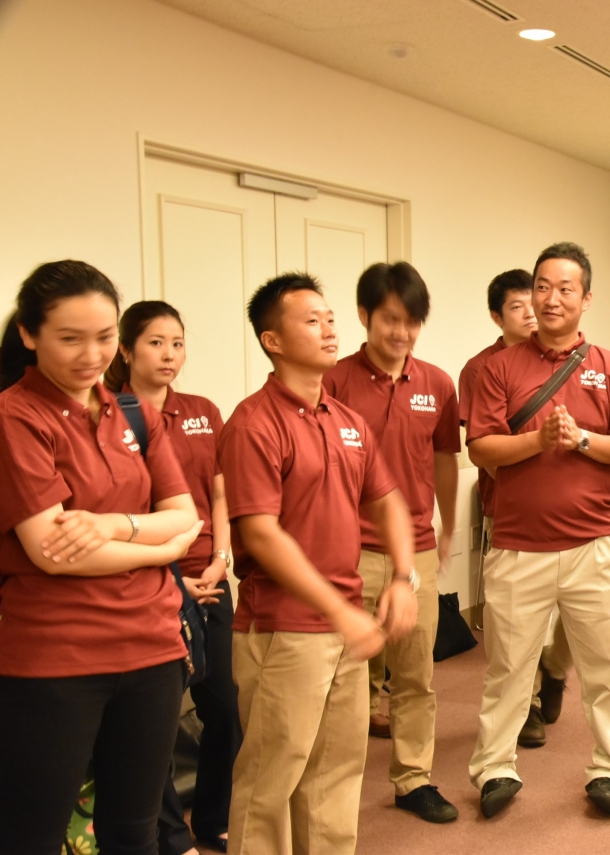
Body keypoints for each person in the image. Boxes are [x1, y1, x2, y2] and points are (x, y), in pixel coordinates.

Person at [0, 260, 202, 854]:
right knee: (32, 835)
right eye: (70, 338)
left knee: (135, 831)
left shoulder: (132, 412)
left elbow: (184, 515)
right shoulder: (14, 416)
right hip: (56, 657)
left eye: (105, 337)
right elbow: (54, 553)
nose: (91, 355)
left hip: (152, 647)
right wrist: (162, 548)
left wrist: (116, 525)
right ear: (29, 334)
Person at [220, 273, 418, 854]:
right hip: (283, 629)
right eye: (311, 321)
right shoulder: (254, 422)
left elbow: (389, 501)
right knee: (270, 781)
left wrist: (402, 578)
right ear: (273, 340)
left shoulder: (346, 420)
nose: (330, 329)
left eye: (330, 318)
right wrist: (338, 610)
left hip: (344, 626)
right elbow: (261, 533)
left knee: (335, 777)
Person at [466, 242, 610, 819]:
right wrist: (537, 441)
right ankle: (495, 768)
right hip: (518, 547)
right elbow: (481, 448)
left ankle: (609, 769)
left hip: (595, 544)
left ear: (585, 298)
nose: (551, 298)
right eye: (542, 287)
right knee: (508, 670)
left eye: (565, 288)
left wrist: (582, 440)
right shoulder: (497, 368)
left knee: (604, 670)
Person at [323, 262, 461, 823]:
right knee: (348, 679)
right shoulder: (333, 381)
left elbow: (444, 458)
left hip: (416, 549)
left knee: (414, 676)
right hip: (347, 549)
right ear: (365, 316)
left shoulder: (437, 384)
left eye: (412, 322)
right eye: (390, 320)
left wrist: (448, 525)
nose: (401, 333)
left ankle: (413, 779)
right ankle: (337, 789)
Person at [104, 301, 240, 855]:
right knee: (152, 720)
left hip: (211, 575)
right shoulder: (111, 415)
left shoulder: (202, 411)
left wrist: (222, 557)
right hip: (149, 582)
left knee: (225, 707)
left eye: (177, 343)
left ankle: (214, 817)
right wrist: (172, 578)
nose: (169, 354)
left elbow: (220, 493)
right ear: (127, 349)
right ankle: (170, 834)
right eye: (156, 342)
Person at [459, 268, 573, 752]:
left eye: (535, 300)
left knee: (572, 616)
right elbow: (481, 446)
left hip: (570, 511)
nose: (532, 311)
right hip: (508, 509)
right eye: (517, 306)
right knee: (517, 622)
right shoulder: (480, 369)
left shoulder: (565, 358)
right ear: (496, 316)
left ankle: (555, 668)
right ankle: (527, 704)